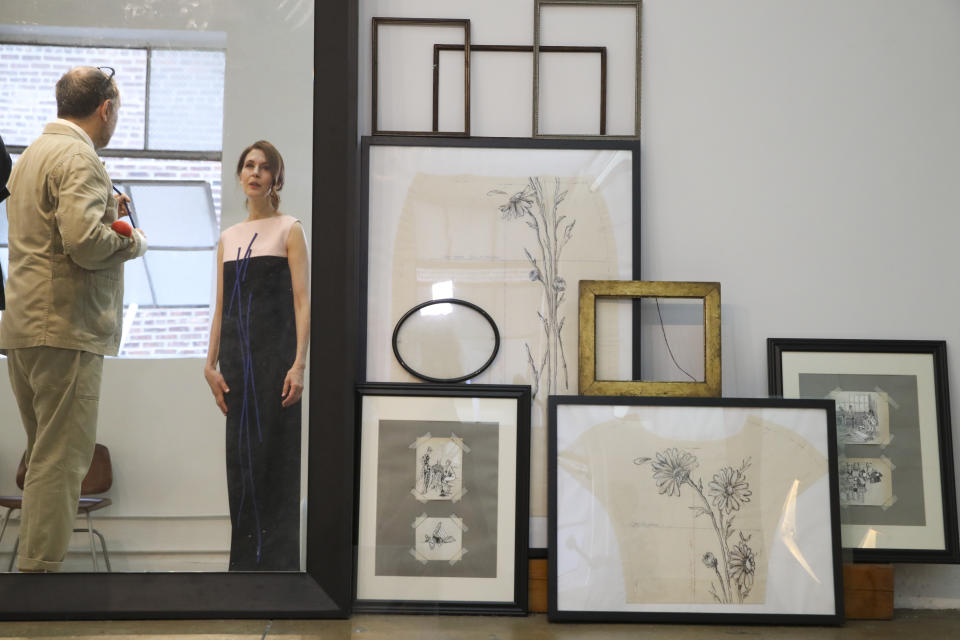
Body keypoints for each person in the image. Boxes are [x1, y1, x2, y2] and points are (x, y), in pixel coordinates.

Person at [0, 66, 147, 572]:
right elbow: (85, 244)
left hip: (25, 325)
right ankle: (39, 583)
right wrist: (132, 239)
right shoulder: (80, 156)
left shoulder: (30, 157)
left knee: (44, 453)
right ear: (106, 107)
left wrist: (107, 209)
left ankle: (32, 577)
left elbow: (51, 234)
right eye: (118, 111)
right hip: (65, 326)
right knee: (61, 461)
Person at [204, 140, 310, 571]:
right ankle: (244, 572)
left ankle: (279, 574)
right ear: (240, 175)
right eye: (248, 166)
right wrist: (209, 365)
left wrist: (299, 364)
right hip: (235, 365)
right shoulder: (228, 237)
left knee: (276, 464)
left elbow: (303, 301)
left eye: (264, 168)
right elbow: (221, 306)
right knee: (242, 465)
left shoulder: (290, 229)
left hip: (277, 363)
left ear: (276, 179)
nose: (255, 173)